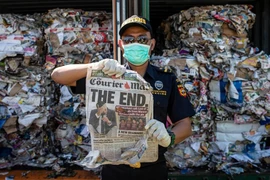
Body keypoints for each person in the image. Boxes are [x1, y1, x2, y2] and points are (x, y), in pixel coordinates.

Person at [51, 15, 195, 180]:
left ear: (152, 44)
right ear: (121, 45)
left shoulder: (166, 79)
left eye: (142, 39)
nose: (136, 43)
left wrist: (168, 138)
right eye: (129, 39)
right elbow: (57, 76)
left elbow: (185, 125)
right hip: (114, 169)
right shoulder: (106, 76)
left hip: (153, 169)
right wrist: (94, 66)